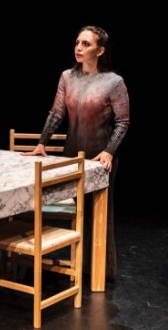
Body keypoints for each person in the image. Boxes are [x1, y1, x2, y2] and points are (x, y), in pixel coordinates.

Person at [23, 25, 130, 280]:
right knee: (71, 209)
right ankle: (66, 264)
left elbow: (123, 122)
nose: (79, 48)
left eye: (86, 44)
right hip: (71, 154)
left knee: (98, 214)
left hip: (99, 157)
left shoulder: (114, 82)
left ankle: (98, 270)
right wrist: (42, 142)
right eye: (77, 43)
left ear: (100, 51)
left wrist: (109, 151)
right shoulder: (67, 77)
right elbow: (57, 112)